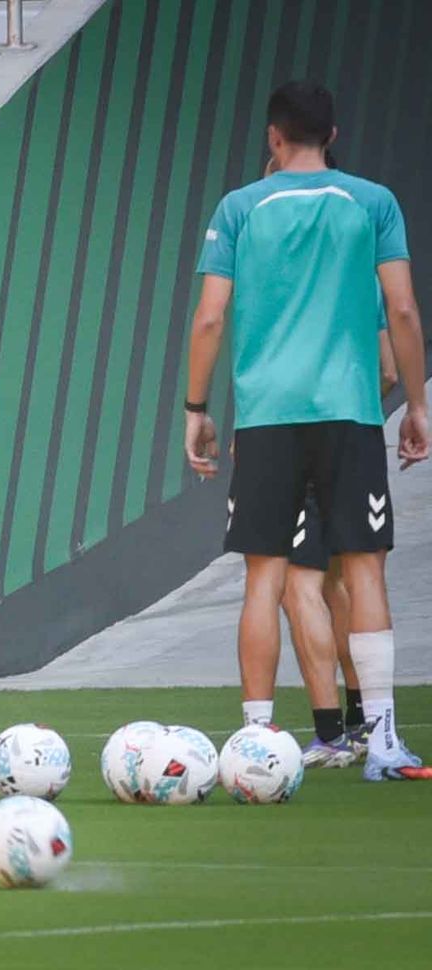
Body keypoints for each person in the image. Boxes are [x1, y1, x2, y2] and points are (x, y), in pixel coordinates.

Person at [185, 80, 430, 781]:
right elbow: (402, 310)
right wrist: (417, 405)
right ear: (334, 134)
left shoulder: (239, 208)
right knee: (365, 569)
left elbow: (210, 317)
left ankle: (254, 743)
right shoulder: (373, 202)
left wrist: (196, 409)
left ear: (274, 136)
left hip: (267, 417)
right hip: (349, 411)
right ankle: (382, 741)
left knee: (264, 578)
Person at [261, 150, 395, 768]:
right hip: (351, 429)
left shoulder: (268, 271)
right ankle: (369, 725)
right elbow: (389, 367)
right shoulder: (357, 269)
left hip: (285, 432)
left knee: (298, 583)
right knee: (350, 578)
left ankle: (331, 735)